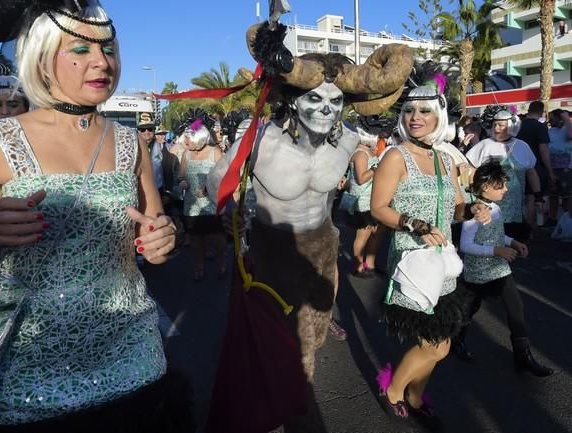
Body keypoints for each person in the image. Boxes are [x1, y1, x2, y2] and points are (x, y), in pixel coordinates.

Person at [0, 2, 192, 432]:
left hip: (130, 357)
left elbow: (153, 238)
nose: (103, 62)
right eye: (81, 51)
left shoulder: (131, 142)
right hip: (24, 371)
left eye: (109, 50)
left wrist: (165, 241)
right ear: (42, 58)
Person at [207, 19, 414, 431]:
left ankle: (289, 406)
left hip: (319, 252)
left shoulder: (350, 137)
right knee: (270, 348)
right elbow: (217, 183)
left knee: (308, 346)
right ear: (293, 100)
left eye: (335, 101)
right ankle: (274, 415)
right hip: (269, 254)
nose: (325, 109)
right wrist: (235, 213)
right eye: (315, 98)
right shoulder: (261, 139)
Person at [371, 85, 491, 429]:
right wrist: (414, 223)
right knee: (436, 345)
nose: (416, 118)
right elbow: (378, 208)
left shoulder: (444, 158)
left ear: (439, 117)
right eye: (410, 111)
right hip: (413, 260)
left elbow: (454, 209)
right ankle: (393, 391)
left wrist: (473, 209)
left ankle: (415, 396)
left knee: (441, 339)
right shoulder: (396, 156)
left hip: (444, 261)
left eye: (424, 111)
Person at [454, 161, 553, 376]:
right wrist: (497, 250)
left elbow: (496, 235)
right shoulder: (476, 213)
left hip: (498, 269)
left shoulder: (496, 208)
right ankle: (456, 340)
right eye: (500, 185)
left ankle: (523, 356)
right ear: (484, 187)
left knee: (516, 307)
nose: (506, 189)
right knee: (469, 308)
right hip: (478, 271)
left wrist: (511, 242)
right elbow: (466, 245)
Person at [467, 105, 541, 242]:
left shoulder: (522, 146)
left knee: (514, 241)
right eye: (495, 125)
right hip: (489, 206)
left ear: (512, 125)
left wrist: (538, 196)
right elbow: (471, 170)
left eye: (501, 125)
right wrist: (473, 194)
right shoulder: (484, 145)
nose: (496, 129)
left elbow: (531, 173)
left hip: (516, 208)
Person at [177, 111, 226, 281]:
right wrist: (182, 181)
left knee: (217, 239)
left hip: (212, 205)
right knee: (196, 238)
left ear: (199, 137)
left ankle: (221, 263)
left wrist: (209, 187)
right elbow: (181, 175)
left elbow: (224, 176)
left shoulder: (215, 152)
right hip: (192, 205)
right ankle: (200, 266)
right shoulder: (186, 154)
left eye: (188, 139)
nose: (186, 142)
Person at [517, 101, 554, 229]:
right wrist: (550, 171)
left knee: (521, 199)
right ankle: (529, 229)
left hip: (517, 167)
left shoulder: (518, 126)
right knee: (532, 199)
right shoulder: (540, 127)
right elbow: (543, 150)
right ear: (541, 111)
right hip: (536, 167)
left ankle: (520, 228)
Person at [349, 138, 382, 278]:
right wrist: (376, 168)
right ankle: (358, 267)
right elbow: (361, 178)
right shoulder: (361, 153)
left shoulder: (367, 151)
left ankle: (369, 265)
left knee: (373, 234)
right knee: (362, 236)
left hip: (372, 199)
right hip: (363, 202)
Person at [546, 109, 572, 224]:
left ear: (560, 117)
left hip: (567, 169)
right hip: (553, 168)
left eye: (552, 117)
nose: (550, 120)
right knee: (553, 195)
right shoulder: (549, 131)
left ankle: (567, 218)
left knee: (567, 196)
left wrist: (566, 118)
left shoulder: (567, 129)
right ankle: (552, 219)